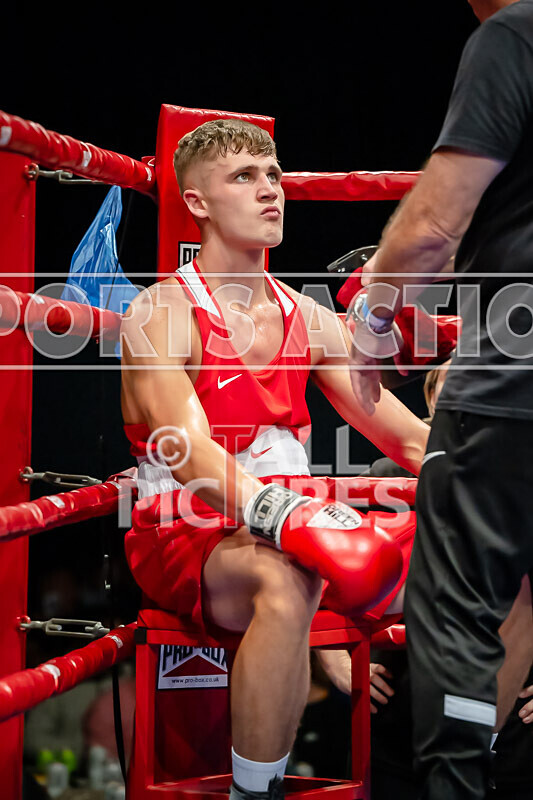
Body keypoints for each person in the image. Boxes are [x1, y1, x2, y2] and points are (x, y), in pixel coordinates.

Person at [120, 119, 429, 800]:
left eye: (273, 176)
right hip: (190, 530)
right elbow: (185, 448)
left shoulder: (308, 318)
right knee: (286, 579)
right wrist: (286, 516)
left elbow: (406, 439)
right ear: (197, 202)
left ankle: (474, 763)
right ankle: (253, 794)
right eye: (243, 177)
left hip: (297, 528)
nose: (269, 192)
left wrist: (495, 481)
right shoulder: (161, 311)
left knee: (498, 550)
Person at [348, 1, 533, 797]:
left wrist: (371, 314)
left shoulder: (514, 34)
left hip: (513, 382)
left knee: (458, 612)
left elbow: (430, 223)